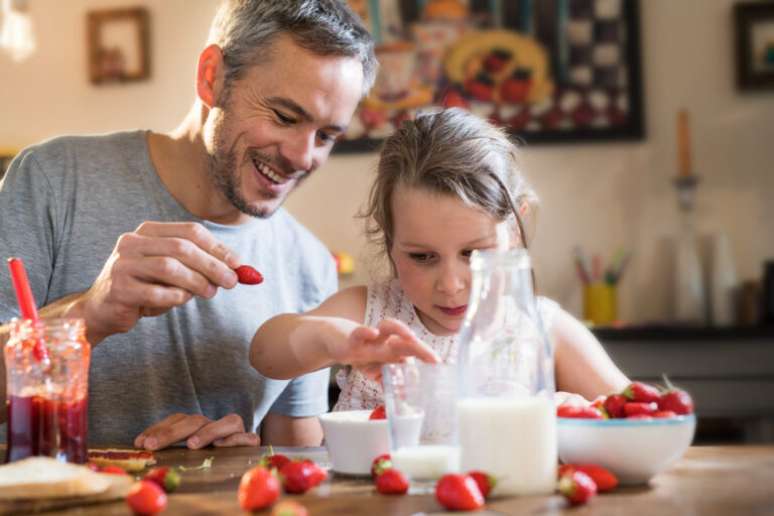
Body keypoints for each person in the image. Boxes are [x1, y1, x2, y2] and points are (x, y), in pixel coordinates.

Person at [0, 0, 381, 451]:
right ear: (212, 77)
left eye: (326, 136)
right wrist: (91, 312)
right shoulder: (53, 178)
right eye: (284, 116)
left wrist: (246, 454)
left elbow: (293, 462)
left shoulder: (311, 264)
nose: (303, 156)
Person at [251, 108, 630, 410]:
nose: (450, 284)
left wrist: (581, 414)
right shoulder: (370, 316)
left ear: (514, 231)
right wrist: (337, 342)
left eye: (474, 253)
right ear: (389, 236)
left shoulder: (544, 329)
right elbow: (266, 354)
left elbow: (639, 412)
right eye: (422, 256)